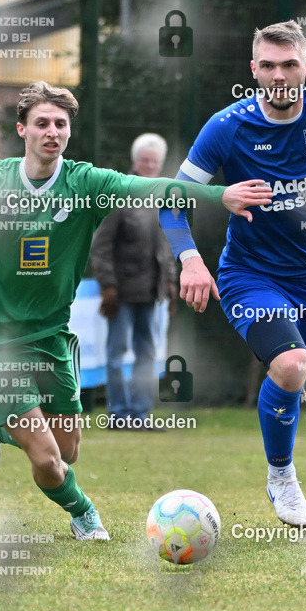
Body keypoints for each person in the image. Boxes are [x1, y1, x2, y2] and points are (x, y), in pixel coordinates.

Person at [0, 81, 272, 541]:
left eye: (60, 124)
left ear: (69, 132)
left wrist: (217, 196)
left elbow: (151, 188)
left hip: (51, 339)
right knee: (45, 458)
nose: (52, 131)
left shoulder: (85, 184)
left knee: (69, 451)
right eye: (42, 123)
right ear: (22, 129)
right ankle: (85, 514)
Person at [160, 21, 306, 529]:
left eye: (289, 65)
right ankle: (280, 476)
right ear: (253, 71)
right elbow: (172, 203)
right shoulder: (227, 127)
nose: (279, 75)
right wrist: (191, 259)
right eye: (267, 65)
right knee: (292, 365)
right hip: (250, 275)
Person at [90, 133, 175, 428]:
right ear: (135, 161)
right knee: (116, 353)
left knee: (147, 354)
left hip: (151, 292)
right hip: (122, 293)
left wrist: (170, 284)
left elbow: (167, 245)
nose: (150, 165)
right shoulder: (120, 194)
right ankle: (118, 414)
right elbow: (100, 246)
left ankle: (139, 414)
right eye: (146, 160)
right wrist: (108, 286)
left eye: (155, 161)